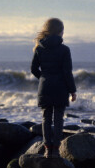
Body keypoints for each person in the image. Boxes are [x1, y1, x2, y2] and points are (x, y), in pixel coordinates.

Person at [31, 18, 77, 158]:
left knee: (46, 118)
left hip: (45, 87)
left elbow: (33, 69)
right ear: (60, 32)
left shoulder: (39, 48)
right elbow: (67, 72)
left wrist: (44, 78)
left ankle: (47, 149)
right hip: (60, 88)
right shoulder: (64, 49)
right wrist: (72, 90)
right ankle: (56, 150)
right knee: (58, 119)